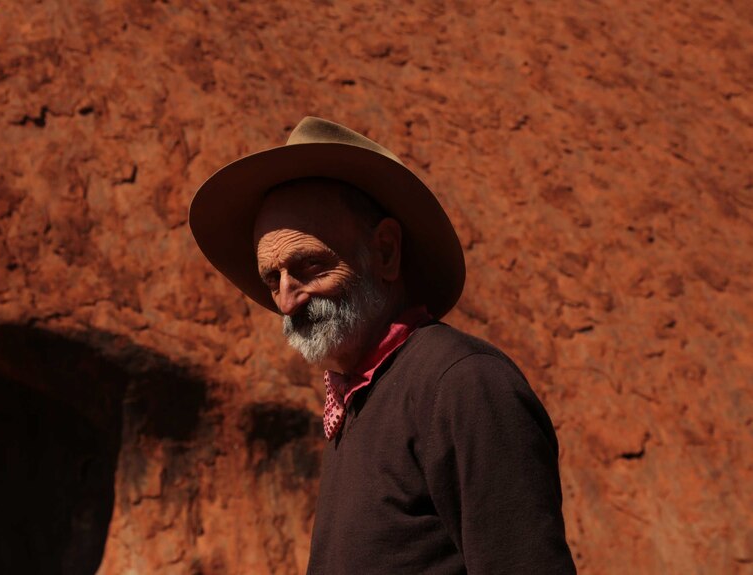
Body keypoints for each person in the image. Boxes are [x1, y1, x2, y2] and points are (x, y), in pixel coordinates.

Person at [189, 117, 576, 574]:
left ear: (386, 251)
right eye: (273, 279)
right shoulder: (358, 400)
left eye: (309, 265)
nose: (287, 301)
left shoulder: (463, 385)